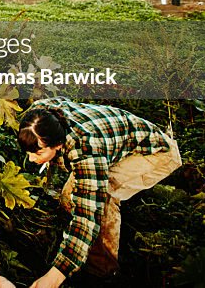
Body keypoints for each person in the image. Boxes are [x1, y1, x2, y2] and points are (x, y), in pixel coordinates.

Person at [18, 97, 182, 287]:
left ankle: (103, 271)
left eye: (37, 154)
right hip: (115, 143)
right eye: (28, 152)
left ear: (58, 145)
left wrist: (55, 276)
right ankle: (84, 249)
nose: (30, 159)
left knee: (102, 200)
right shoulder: (37, 118)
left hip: (156, 153)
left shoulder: (87, 150)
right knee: (69, 197)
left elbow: (87, 216)